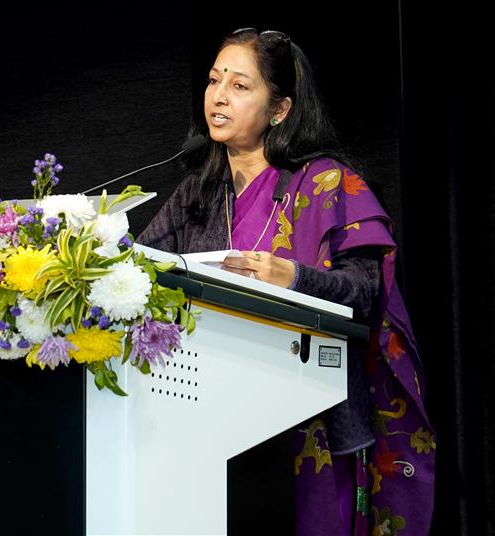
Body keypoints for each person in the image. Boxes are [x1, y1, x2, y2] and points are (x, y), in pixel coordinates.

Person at [137, 27, 435, 535]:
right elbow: (139, 268)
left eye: (240, 86)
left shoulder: (326, 183)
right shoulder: (197, 193)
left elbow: (366, 293)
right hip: (208, 414)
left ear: (279, 110)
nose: (219, 97)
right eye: (214, 81)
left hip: (307, 414)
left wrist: (295, 277)